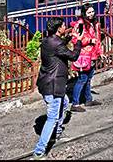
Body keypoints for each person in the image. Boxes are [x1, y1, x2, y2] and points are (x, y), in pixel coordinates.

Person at [33, 17, 82, 159]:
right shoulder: (57, 44)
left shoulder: (47, 41)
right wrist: (77, 41)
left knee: (65, 103)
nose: (65, 26)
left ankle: (57, 132)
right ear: (58, 28)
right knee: (52, 117)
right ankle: (39, 150)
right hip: (54, 86)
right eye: (63, 25)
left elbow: (59, 46)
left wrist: (69, 37)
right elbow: (73, 56)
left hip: (46, 83)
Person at [69, 3, 103, 112]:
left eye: (92, 12)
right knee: (82, 79)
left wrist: (100, 52)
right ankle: (75, 103)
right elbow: (75, 40)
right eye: (89, 12)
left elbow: (97, 39)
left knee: (88, 79)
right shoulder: (80, 24)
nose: (91, 14)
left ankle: (88, 99)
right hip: (84, 55)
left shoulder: (95, 23)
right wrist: (89, 41)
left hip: (93, 55)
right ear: (84, 13)